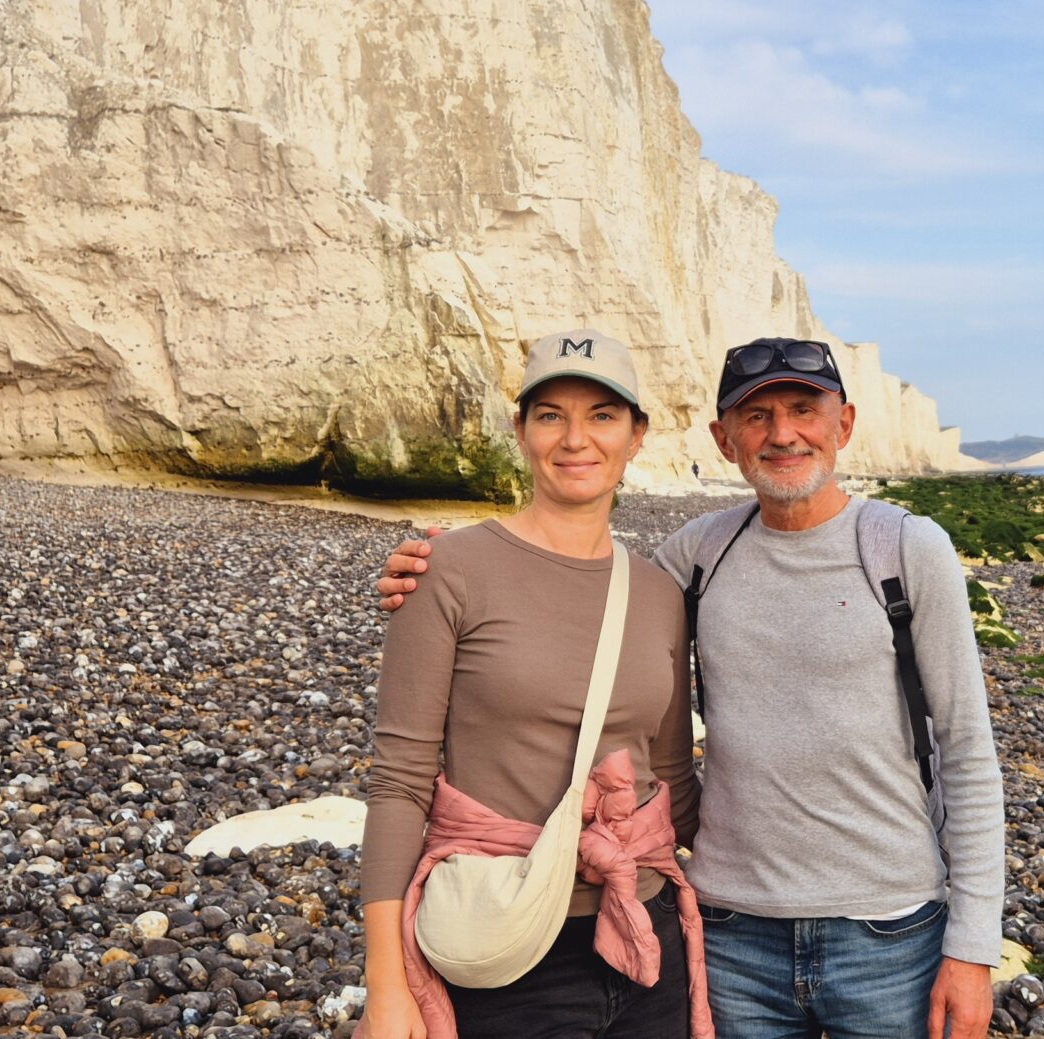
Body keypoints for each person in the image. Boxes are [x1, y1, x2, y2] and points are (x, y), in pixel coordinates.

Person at [380, 337, 1005, 1039]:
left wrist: (973, 945)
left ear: (846, 423)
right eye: (757, 416)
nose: (782, 434)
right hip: (733, 933)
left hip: (890, 935)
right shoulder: (698, 555)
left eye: (804, 409)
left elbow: (967, 750)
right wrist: (436, 569)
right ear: (723, 438)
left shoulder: (906, 549)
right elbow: (577, 596)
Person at [359, 329, 704, 1039]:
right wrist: (386, 986)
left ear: (637, 434)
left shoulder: (659, 592)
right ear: (520, 431)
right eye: (551, 415)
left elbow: (670, 778)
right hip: (504, 942)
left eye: (602, 415)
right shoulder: (445, 570)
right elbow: (398, 782)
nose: (576, 439)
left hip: (645, 937)